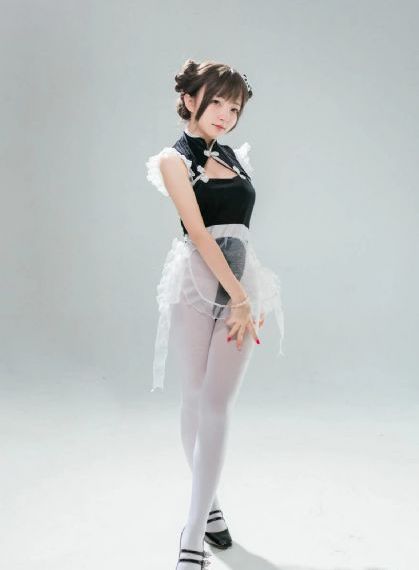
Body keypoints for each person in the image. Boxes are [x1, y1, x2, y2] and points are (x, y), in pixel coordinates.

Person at [145, 59, 285, 569]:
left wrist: (247, 295)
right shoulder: (172, 160)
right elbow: (200, 234)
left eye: (235, 107)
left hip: (241, 281)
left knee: (218, 403)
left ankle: (197, 518)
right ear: (189, 100)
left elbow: (238, 232)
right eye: (217, 103)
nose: (226, 115)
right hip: (197, 281)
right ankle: (201, 522)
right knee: (195, 397)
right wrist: (240, 296)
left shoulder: (233, 155)